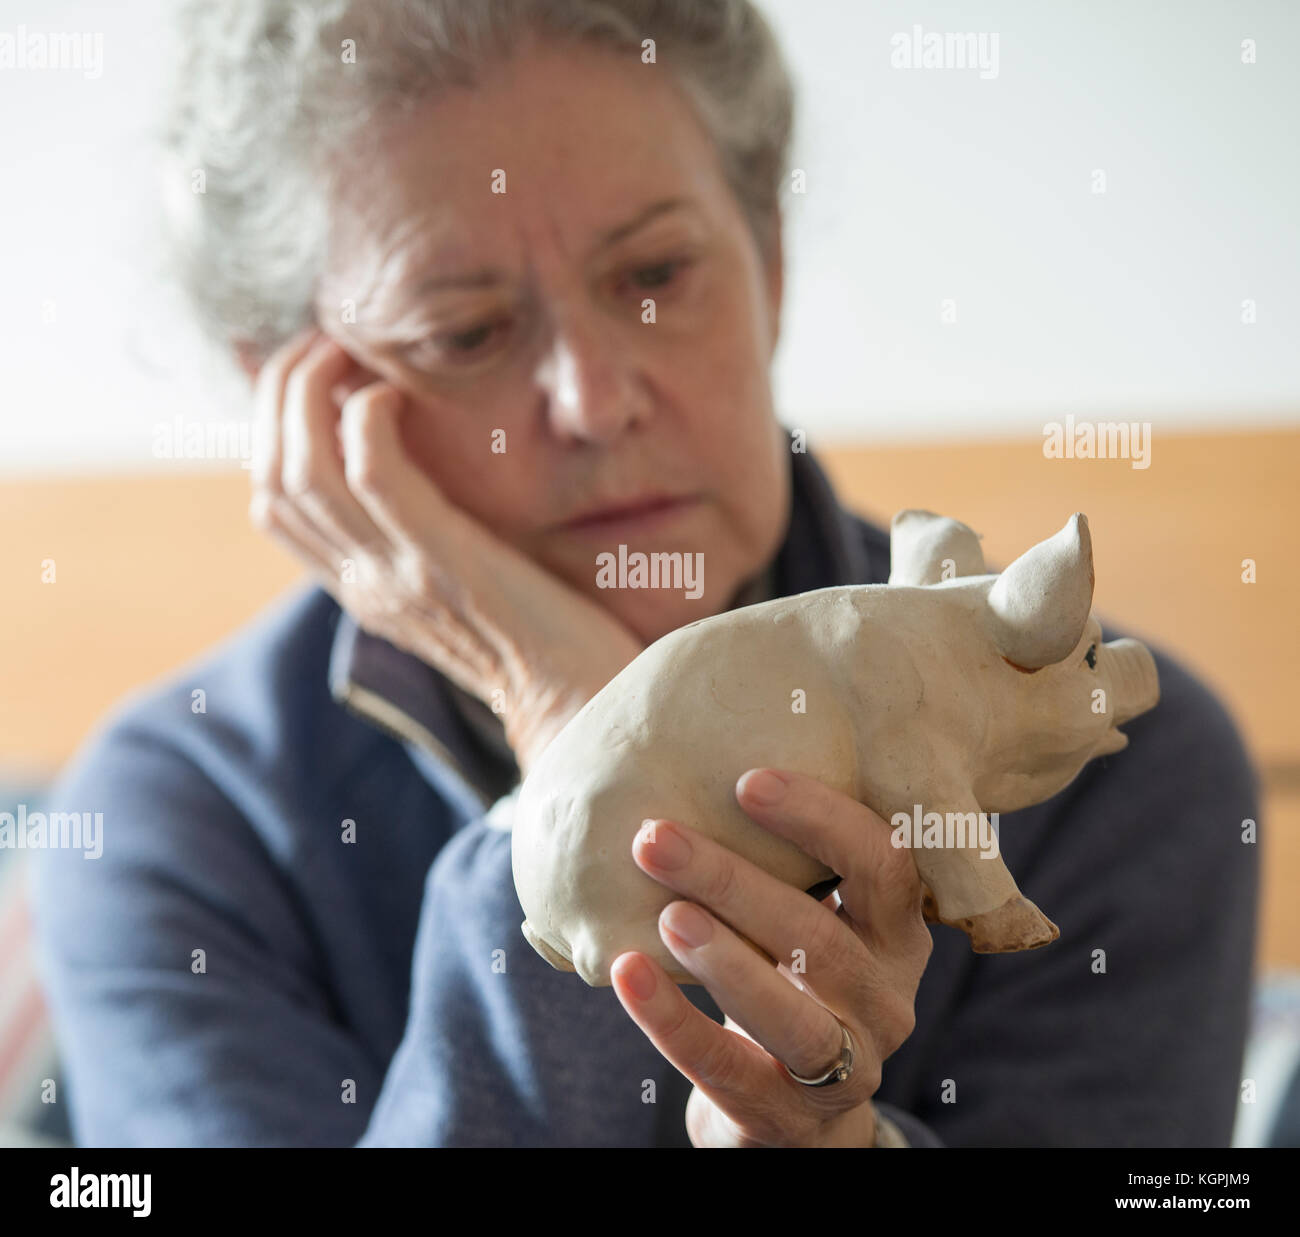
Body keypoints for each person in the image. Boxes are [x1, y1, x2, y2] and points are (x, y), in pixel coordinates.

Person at [29, 0, 1259, 1148]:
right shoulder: (177, 816)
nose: (596, 399)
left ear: (768, 264)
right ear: (296, 399)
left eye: (655, 276)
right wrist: (571, 737)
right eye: (464, 333)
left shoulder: (1108, 759)